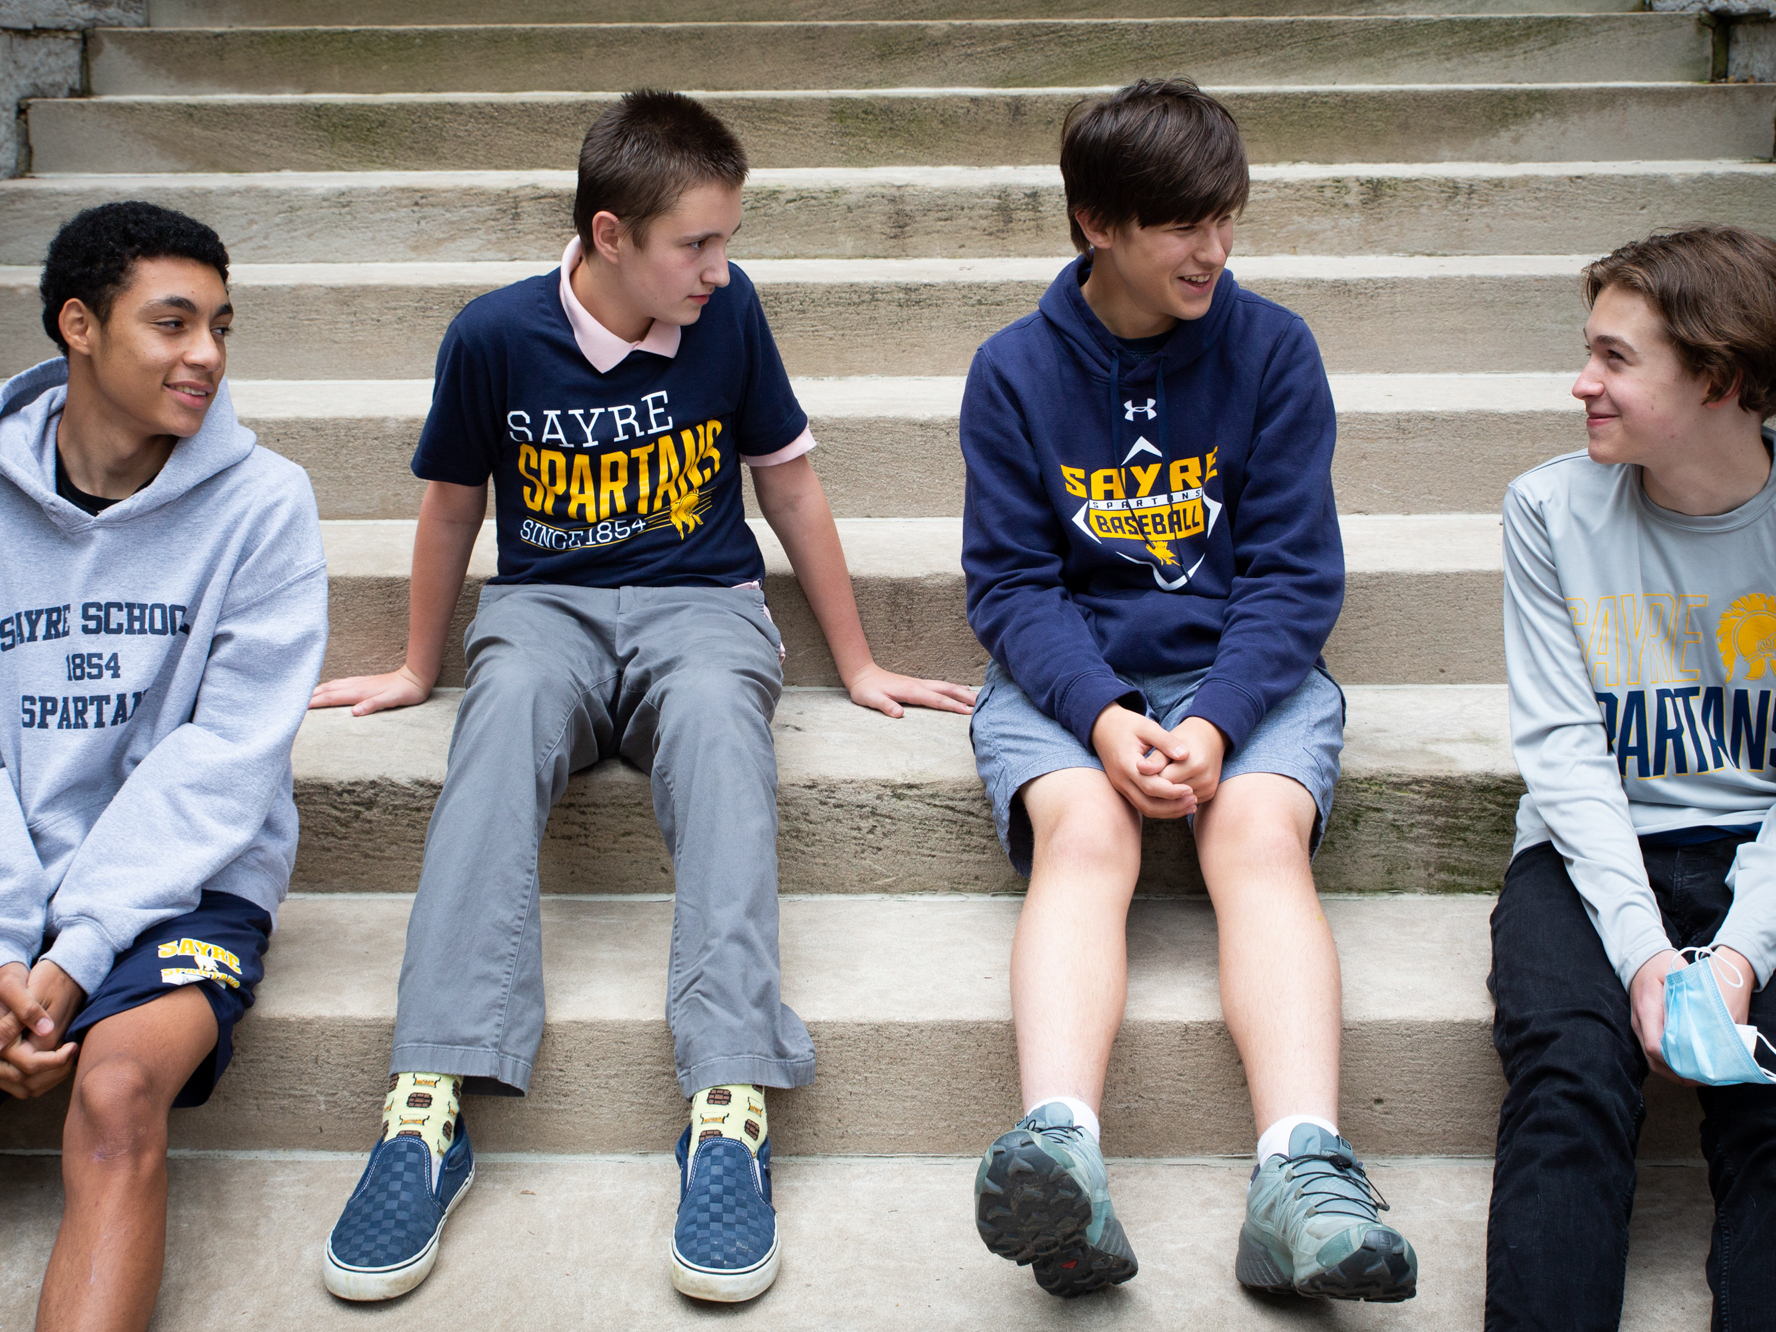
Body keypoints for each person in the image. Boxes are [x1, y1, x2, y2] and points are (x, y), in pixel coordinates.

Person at [310, 89, 974, 1305]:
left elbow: (793, 491)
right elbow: (453, 506)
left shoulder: (729, 317)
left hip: (703, 609)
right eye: (696, 245)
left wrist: (862, 661)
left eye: (727, 241)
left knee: (724, 727)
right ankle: (428, 1102)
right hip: (540, 615)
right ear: (611, 235)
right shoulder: (495, 336)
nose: (720, 269)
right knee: (498, 720)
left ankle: (727, 1102)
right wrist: (419, 665)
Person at [960, 78, 1418, 1301]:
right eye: (1181, 224)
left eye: (1225, 217)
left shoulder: (1272, 350)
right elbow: (1010, 587)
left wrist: (1215, 717)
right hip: (1068, 687)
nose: (1213, 248)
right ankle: (1059, 1151)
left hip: (1247, 675)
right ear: (1095, 222)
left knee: (1260, 835)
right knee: (1086, 829)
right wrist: (1106, 716)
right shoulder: (1012, 373)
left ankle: (1301, 1177)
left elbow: (1292, 575)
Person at [0, 200, 328, 1331]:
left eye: (222, 328)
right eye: (173, 323)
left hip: (186, 880)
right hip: (10, 869)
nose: (207, 357)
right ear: (79, 325)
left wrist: (74, 959)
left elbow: (226, 759)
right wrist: (5, 943)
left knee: (119, 1090)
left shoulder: (263, 504)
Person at [1489, 225, 1776, 1330]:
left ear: (1719, 377)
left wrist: (1743, 952)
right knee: (1568, 1076)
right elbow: (1563, 748)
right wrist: (1646, 953)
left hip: (1760, 850)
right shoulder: (1549, 510)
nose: (1582, 382)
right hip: (1590, 852)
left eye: (1615, 358)